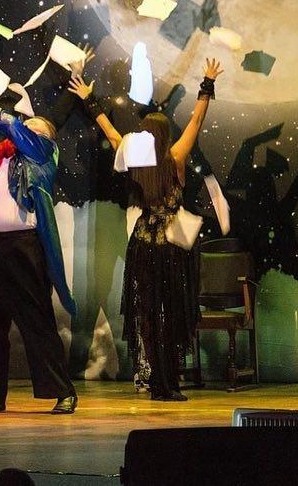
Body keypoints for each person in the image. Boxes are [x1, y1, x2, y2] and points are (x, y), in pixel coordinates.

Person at [69, 58, 224, 401]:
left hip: (142, 243)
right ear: (165, 135)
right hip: (171, 245)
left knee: (150, 315)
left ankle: (156, 382)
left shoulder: (133, 158)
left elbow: (110, 131)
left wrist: (89, 99)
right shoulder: (175, 158)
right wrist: (207, 83)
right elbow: (197, 121)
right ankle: (169, 382)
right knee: (172, 312)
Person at [0, 107, 78, 414]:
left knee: (36, 322)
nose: (28, 130)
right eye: (28, 127)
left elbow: (16, 128)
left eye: (35, 129)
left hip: (20, 247)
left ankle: (62, 391)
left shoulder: (43, 155)